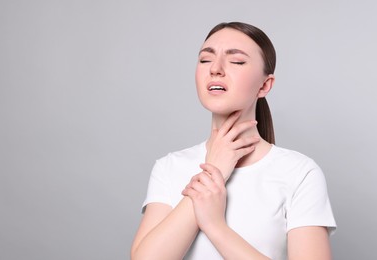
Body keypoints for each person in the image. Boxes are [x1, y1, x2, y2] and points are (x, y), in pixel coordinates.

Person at [131, 22, 336, 260]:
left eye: (237, 61)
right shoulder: (169, 167)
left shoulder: (299, 173)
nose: (215, 69)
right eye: (205, 60)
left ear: (265, 85)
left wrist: (216, 226)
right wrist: (214, 170)